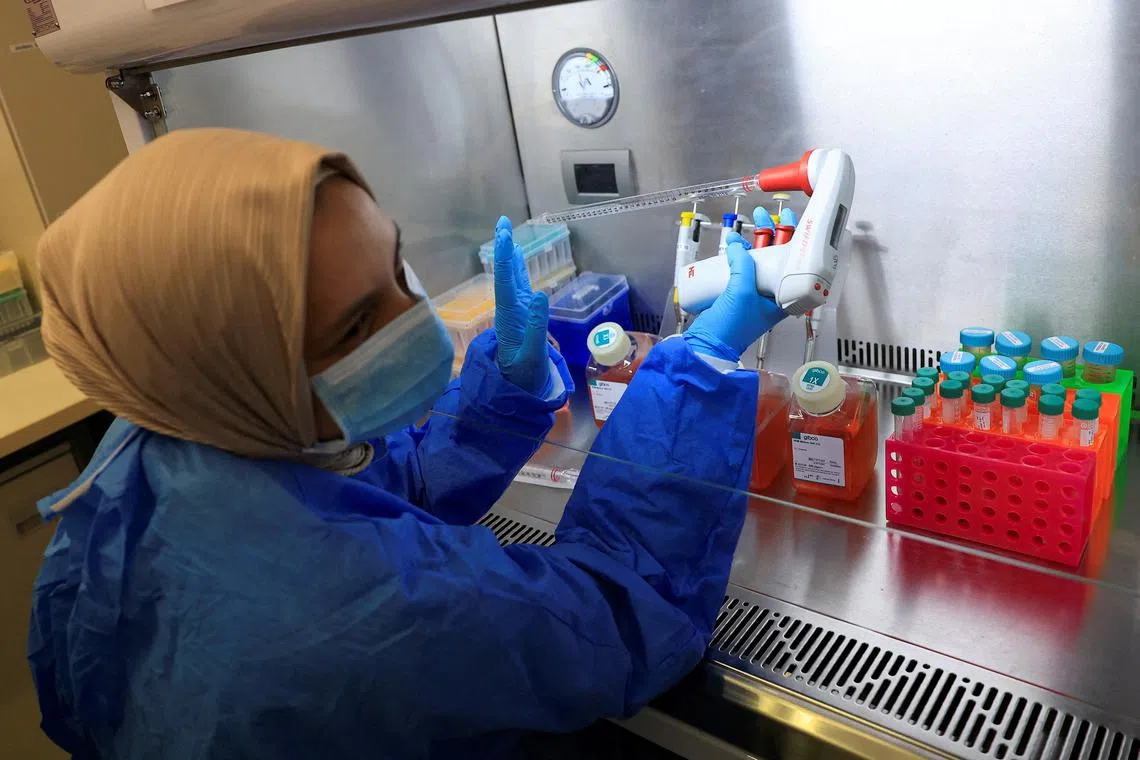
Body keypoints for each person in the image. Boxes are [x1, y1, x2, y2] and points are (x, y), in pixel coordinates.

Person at [27, 128, 786, 759]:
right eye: (358, 325)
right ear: (240, 373)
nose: (411, 322)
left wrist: (508, 388)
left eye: (396, 267)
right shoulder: (352, 616)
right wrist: (702, 369)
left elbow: (376, 493)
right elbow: (623, 615)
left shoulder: (169, 443)